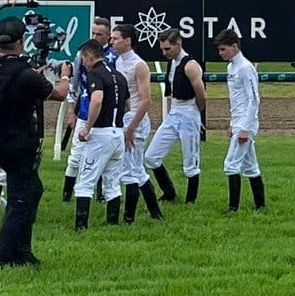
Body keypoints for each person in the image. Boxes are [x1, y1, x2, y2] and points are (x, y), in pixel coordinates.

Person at [0, 17, 72, 267]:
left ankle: (23, 250)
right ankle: (5, 256)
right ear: (20, 42)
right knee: (20, 200)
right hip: (18, 143)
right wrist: (65, 76)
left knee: (33, 191)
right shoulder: (26, 74)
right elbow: (59, 94)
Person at [144, 28, 206, 204]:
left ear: (179, 44)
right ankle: (169, 192)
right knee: (151, 157)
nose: (165, 53)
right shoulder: (173, 63)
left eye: (168, 49)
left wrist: (197, 116)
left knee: (190, 162)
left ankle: (190, 201)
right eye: (162, 49)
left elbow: (201, 95)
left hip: (189, 112)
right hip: (174, 112)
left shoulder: (190, 65)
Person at [72, 39, 129, 229]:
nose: (83, 63)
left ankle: (81, 227)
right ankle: (113, 223)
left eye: (83, 59)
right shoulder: (119, 75)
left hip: (100, 134)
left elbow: (96, 100)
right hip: (118, 133)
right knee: (112, 182)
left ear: (89, 57)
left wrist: (87, 127)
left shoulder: (95, 74)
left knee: (85, 182)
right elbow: (128, 105)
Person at [62, 16, 118, 202]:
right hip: (85, 110)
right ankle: (66, 196)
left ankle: (101, 194)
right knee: (75, 156)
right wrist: (71, 111)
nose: (95, 37)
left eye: (99, 34)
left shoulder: (115, 56)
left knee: (105, 157)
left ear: (108, 36)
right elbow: (74, 85)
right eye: (93, 33)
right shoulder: (82, 55)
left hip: (107, 114)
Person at [110, 24, 163, 222]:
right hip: (125, 117)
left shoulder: (139, 65)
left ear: (128, 41)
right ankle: (155, 213)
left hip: (136, 120)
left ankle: (129, 217)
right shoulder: (118, 62)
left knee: (130, 169)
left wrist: (131, 126)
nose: (112, 42)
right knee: (136, 168)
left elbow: (145, 100)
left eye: (115, 38)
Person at [214, 28, 267, 213]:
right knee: (251, 167)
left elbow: (254, 99)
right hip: (237, 123)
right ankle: (260, 206)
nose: (220, 53)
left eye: (223, 49)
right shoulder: (231, 67)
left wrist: (245, 128)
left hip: (246, 124)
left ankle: (232, 209)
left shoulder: (245, 67)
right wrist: (232, 123)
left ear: (234, 46)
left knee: (231, 165)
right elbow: (236, 100)